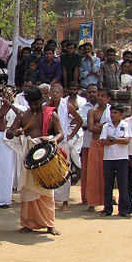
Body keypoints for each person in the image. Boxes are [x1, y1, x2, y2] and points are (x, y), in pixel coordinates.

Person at [6, 85, 63, 234]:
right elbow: (8, 134)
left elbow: (60, 134)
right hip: (29, 155)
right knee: (28, 190)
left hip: (46, 155)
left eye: (37, 103)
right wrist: (15, 132)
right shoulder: (23, 116)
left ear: (42, 100)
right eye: (31, 104)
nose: (34, 106)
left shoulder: (51, 115)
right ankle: (28, 223)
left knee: (47, 191)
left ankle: (50, 224)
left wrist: (51, 140)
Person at [52, 83, 82, 211]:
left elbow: (79, 120)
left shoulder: (67, 106)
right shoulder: (46, 106)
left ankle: (65, 201)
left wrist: (71, 135)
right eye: (52, 92)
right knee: (50, 171)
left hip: (63, 141)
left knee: (64, 171)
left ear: (62, 93)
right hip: (50, 141)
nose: (54, 94)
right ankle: (51, 200)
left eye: (57, 92)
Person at [100, 103, 132, 217]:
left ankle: (124, 210)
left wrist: (112, 139)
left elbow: (126, 140)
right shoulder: (106, 126)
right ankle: (107, 209)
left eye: (115, 113)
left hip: (122, 158)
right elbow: (103, 141)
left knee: (123, 185)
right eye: (111, 112)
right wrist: (119, 140)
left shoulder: (125, 125)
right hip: (108, 158)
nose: (112, 115)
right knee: (108, 185)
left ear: (121, 114)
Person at [84, 86, 111, 212]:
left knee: (107, 173)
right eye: (99, 95)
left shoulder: (112, 111)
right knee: (93, 172)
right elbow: (90, 128)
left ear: (108, 98)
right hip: (95, 142)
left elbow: (112, 129)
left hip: (108, 144)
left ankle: (108, 200)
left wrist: (99, 126)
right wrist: (104, 127)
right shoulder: (92, 111)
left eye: (103, 96)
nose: (100, 98)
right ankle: (92, 201)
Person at [78, 84, 97, 206]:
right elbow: (82, 121)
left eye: (94, 92)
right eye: (89, 92)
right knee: (87, 172)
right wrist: (95, 123)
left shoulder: (106, 108)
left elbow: (108, 123)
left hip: (102, 144)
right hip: (87, 143)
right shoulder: (84, 108)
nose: (92, 94)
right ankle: (86, 197)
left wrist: (92, 124)